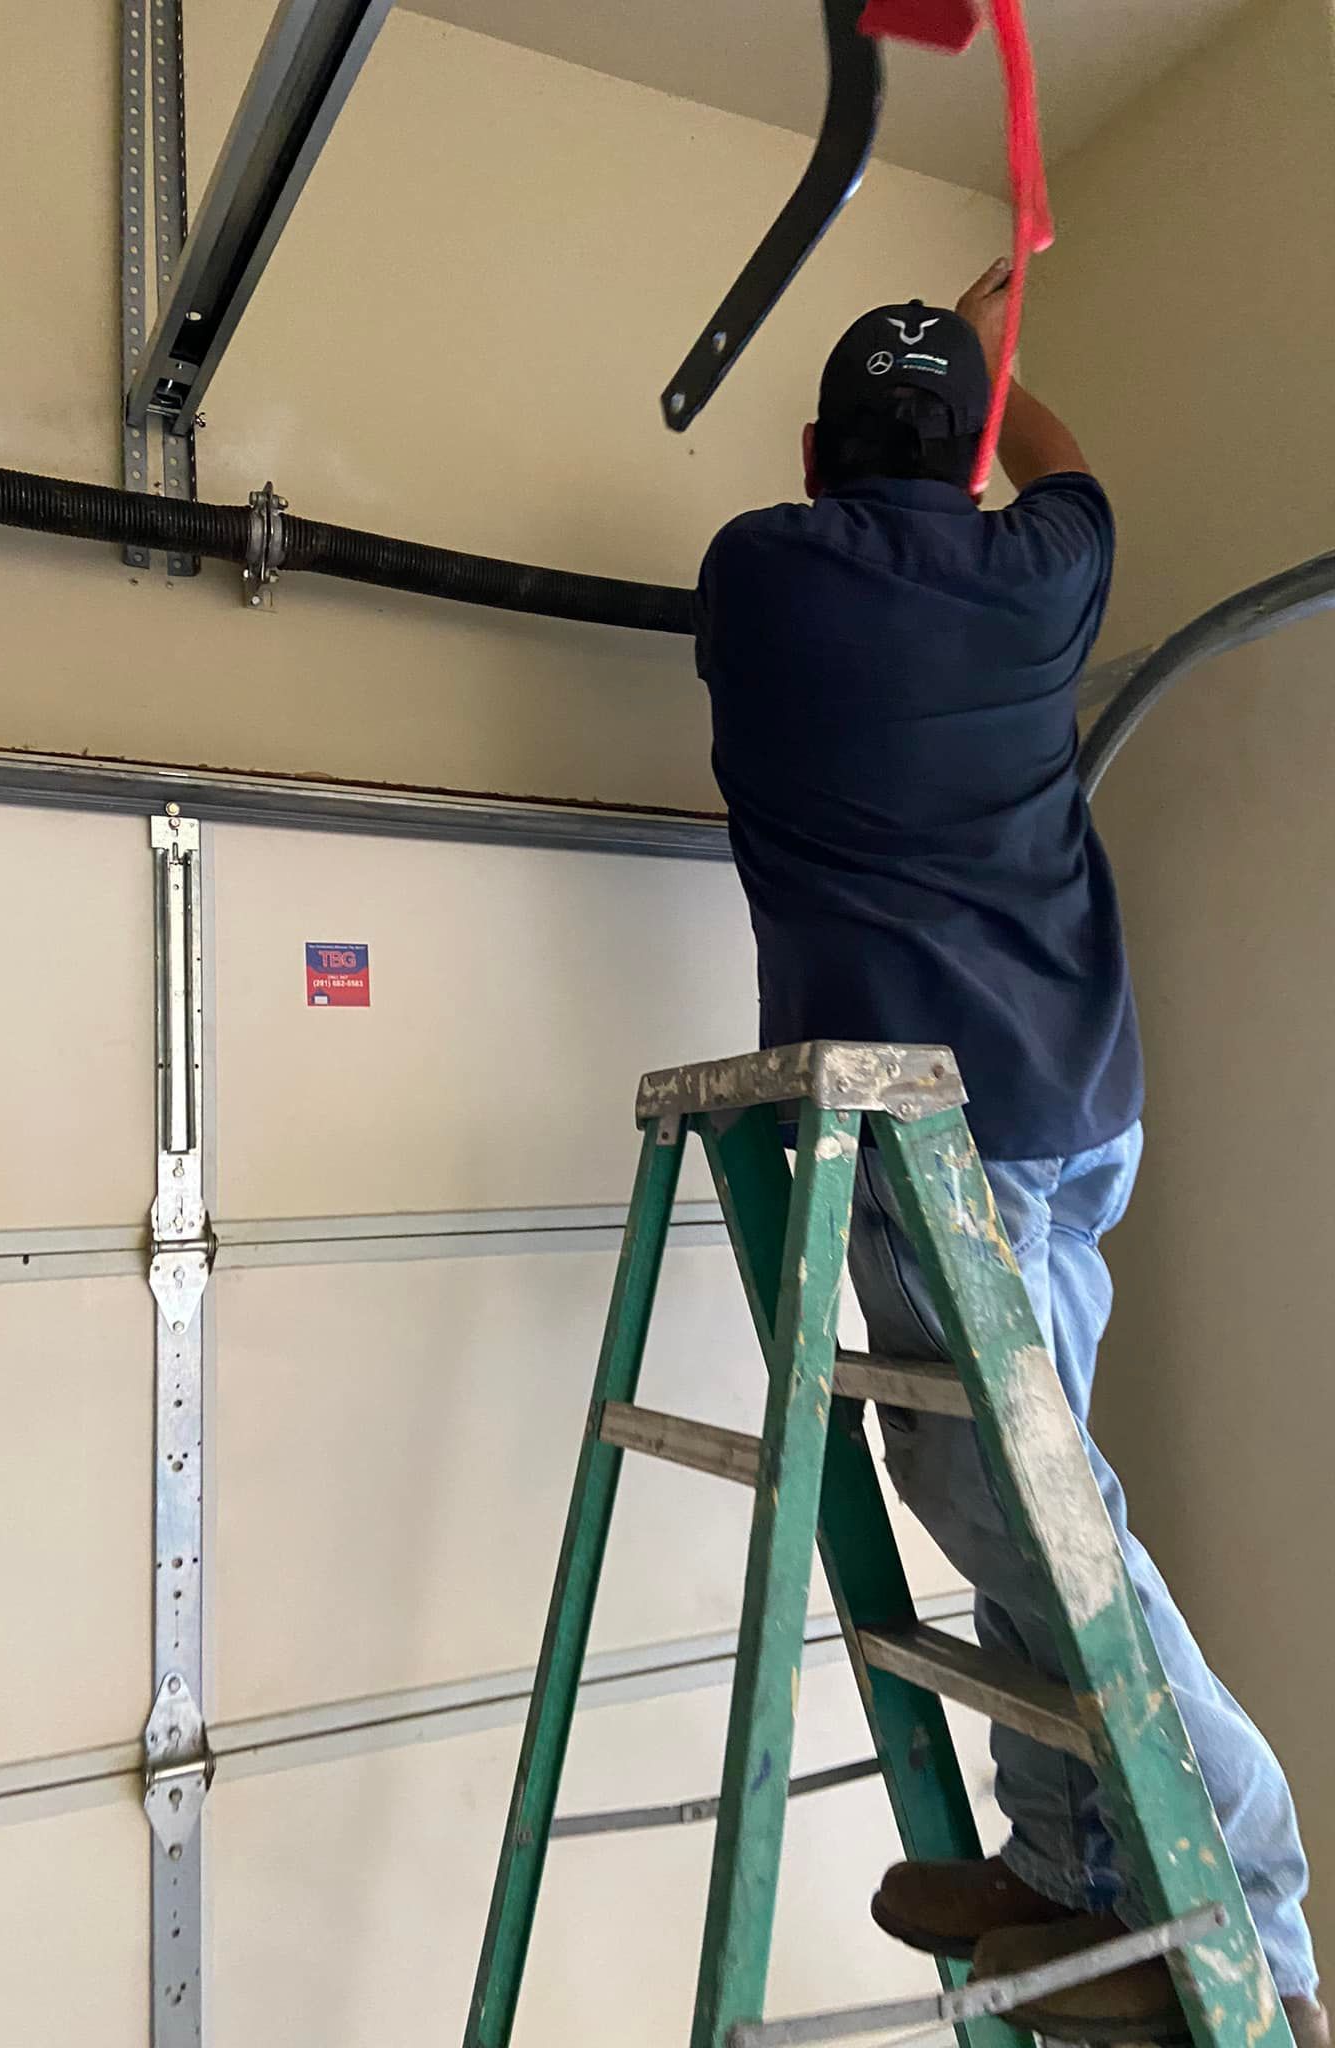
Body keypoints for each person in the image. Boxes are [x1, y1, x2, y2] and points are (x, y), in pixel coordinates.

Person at [694, 257, 1323, 2047]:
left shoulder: (761, 572)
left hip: (945, 1132)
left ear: (812, 455)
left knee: (1038, 1520)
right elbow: (1062, 468)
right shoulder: (1050, 567)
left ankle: (1252, 1924)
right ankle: (1073, 1864)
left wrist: (959, 357)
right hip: (1078, 1104)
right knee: (1034, 1500)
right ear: (971, 459)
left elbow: (968, 486)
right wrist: (997, 352)